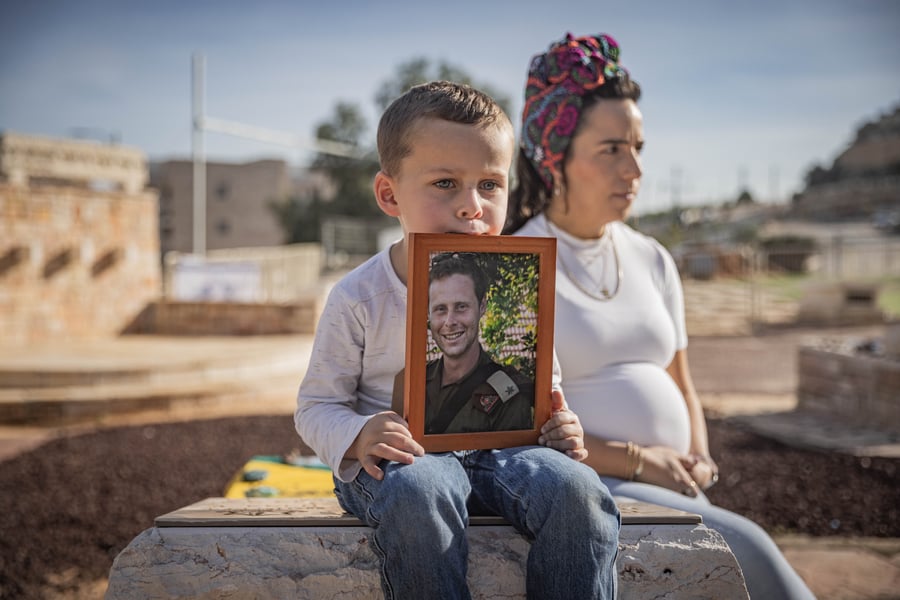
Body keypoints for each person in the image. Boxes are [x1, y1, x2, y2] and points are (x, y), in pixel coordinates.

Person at [506, 33, 816, 600]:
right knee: (753, 553)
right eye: (611, 150)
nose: (634, 169)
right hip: (584, 488)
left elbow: (681, 380)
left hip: (674, 483)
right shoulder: (515, 267)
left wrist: (698, 459)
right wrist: (638, 460)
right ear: (554, 154)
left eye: (639, 148)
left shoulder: (652, 257)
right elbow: (518, 424)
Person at [295, 80, 620, 599]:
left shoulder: (522, 280)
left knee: (580, 492)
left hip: (502, 454)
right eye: (445, 183)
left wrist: (561, 427)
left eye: (490, 184)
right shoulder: (358, 296)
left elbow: (546, 390)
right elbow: (315, 407)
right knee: (422, 488)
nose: (472, 205)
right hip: (402, 466)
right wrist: (358, 435)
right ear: (389, 193)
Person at [425, 252, 533, 434]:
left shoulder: (510, 393)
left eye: (461, 307)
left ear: (482, 306)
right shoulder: (412, 380)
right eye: (440, 309)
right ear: (428, 314)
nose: (450, 321)